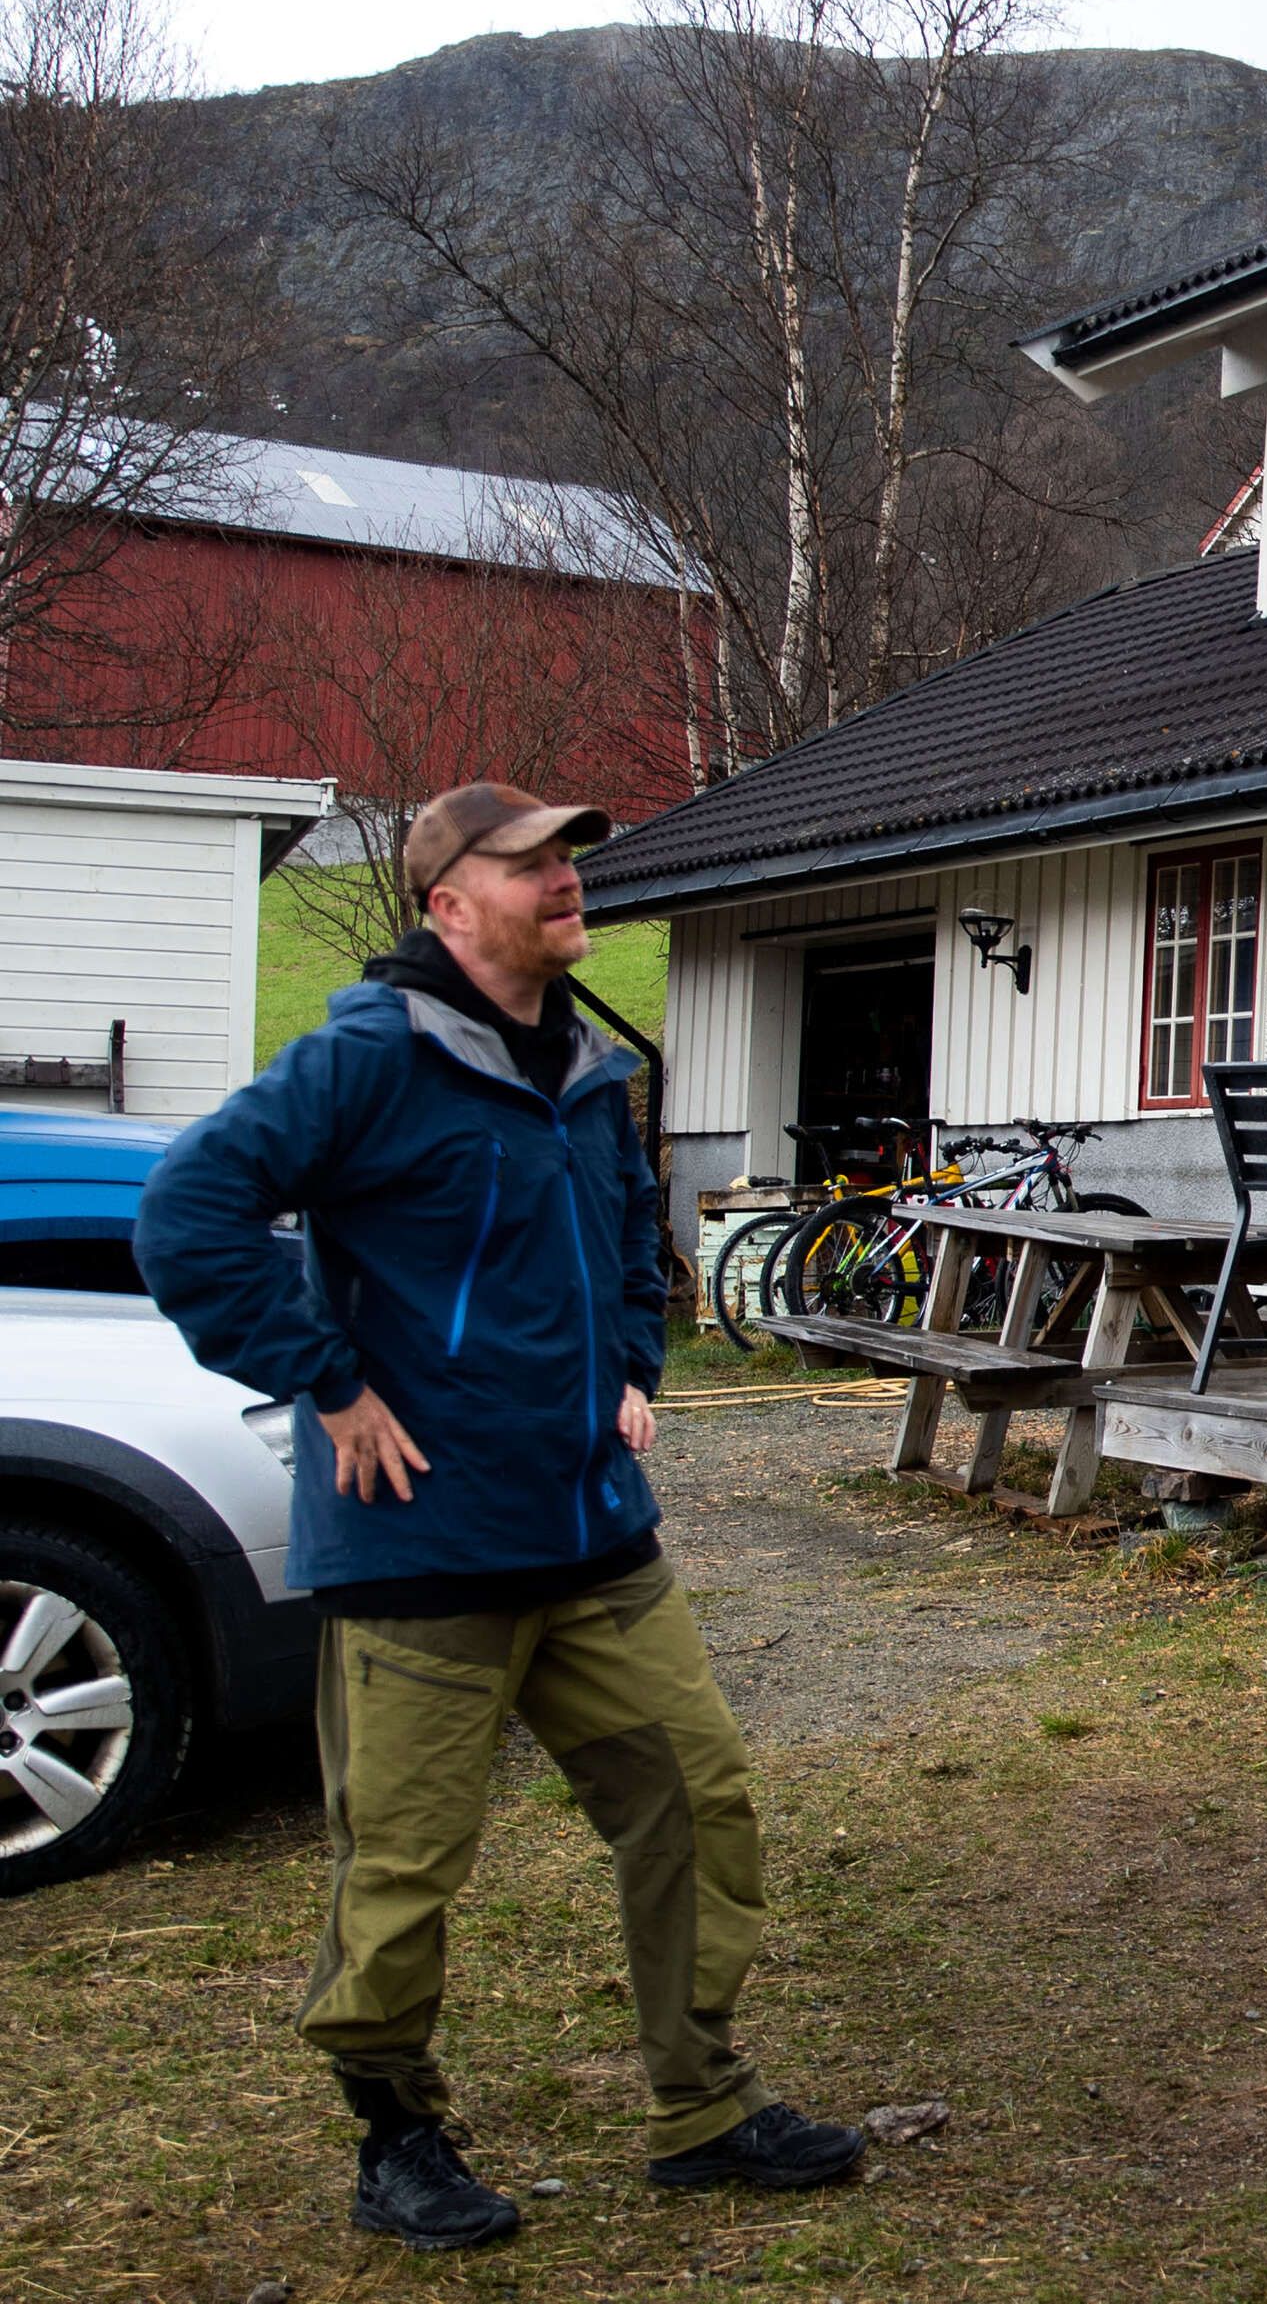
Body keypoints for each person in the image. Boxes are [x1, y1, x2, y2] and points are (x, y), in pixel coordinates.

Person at [135, 782, 863, 2252]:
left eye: (569, 857)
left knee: (696, 1801)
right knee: (405, 1860)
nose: (565, 878)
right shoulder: (368, 1056)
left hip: (593, 1533)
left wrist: (635, 1366)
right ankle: (394, 2137)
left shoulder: (587, 1065)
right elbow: (188, 1215)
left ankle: (702, 2105)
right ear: (449, 902)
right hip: (421, 1540)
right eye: (529, 862)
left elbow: (625, 1230)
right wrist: (329, 1383)